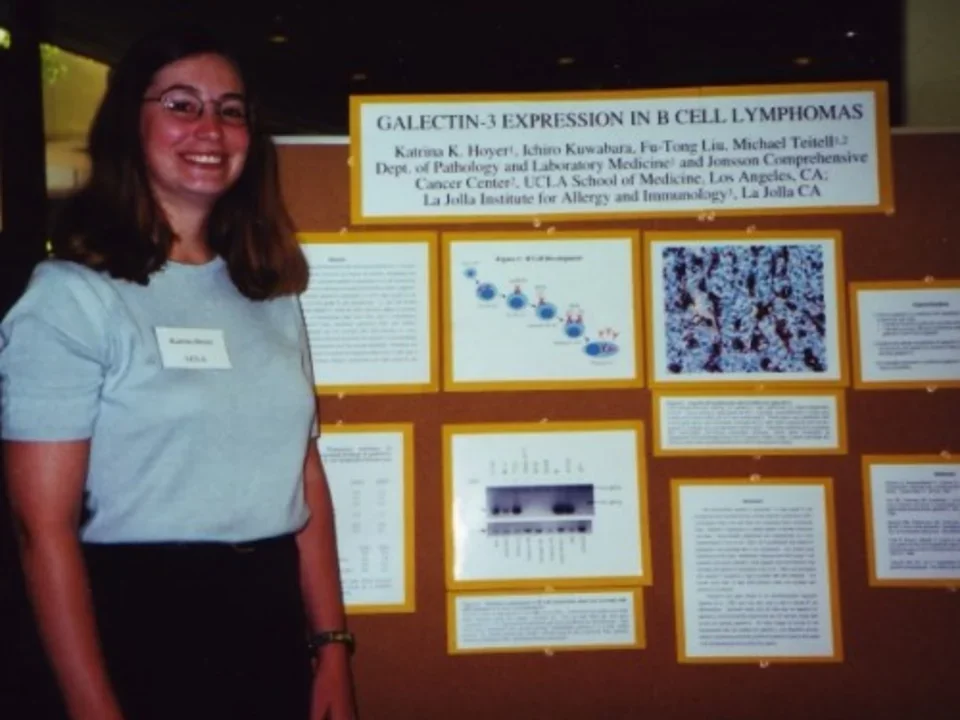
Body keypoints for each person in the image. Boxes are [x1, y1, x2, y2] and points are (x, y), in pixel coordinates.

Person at [0, 25, 356, 720]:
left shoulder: (269, 291)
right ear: (131, 121)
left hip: (269, 619)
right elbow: (41, 531)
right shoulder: (71, 298)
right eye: (182, 105)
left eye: (231, 110)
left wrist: (333, 645)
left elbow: (302, 471)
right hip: (137, 623)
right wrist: (92, 708)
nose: (211, 129)